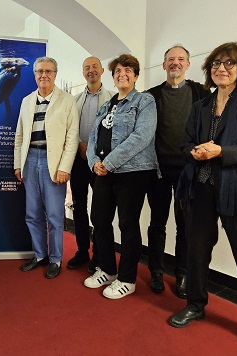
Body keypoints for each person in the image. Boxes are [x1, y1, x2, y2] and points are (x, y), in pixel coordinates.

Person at [168, 42, 237, 356]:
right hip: (201, 189)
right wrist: (195, 151)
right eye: (216, 63)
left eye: (229, 63)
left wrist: (221, 152)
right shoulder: (202, 105)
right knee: (196, 253)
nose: (221, 68)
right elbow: (186, 143)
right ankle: (196, 305)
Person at [83, 54, 158, 299]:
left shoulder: (144, 101)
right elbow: (94, 136)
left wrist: (110, 162)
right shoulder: (107, 104)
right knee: (100, 220)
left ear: (136, 75)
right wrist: (94, 162)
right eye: (117, 71)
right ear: (112, 76)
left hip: (133, 172)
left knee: (127, 224)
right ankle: (107, 269)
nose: (122, 74)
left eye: (127, 70)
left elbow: (142, 137)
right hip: (104, 170)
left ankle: (127, 279)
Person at [145, 45, 210, 296]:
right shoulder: (150, 96)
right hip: (158, 171)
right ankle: (156, 272)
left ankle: (182, 274)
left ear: (188, 64)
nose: (175, 63)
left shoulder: (201, 93)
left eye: (180, 59)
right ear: (163, 65)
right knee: (157, 223)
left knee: (185, 225)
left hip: (188, 173)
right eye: (170, 59)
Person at [14, 57, 79, 279]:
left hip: (54, 163)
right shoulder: (26, 101)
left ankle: (56, 259)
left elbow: (72, 138)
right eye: (40, 71)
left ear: (55, 74)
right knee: (32, 213)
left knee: (54, 215)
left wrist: (64, 168)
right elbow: (19, 136)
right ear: (34, 74)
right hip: (30, 160)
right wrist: (18, 165)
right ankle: (40, 255)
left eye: (48, 71)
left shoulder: (67, 101)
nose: (44, 75)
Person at [68, 56, 114, 273]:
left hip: (101, 162)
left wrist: (93, 151)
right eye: (87, 67)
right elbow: (69, 129)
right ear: (83, 72)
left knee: (101, 210)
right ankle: (82, 250)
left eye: (95, 66)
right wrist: (79, 145)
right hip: (78, 160)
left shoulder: (113, 99)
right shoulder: (74, 100)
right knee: (79, 206)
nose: (91, 70)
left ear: (102, 70)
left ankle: (99, 253)